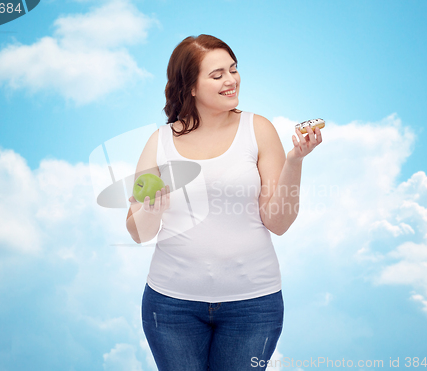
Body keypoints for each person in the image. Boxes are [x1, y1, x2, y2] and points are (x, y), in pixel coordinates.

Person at [126, 34, 322, 371]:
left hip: (253, 306)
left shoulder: (258, 129)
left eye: (233, 70)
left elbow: (278, 222)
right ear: (190, 87)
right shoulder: (159, 142)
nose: (231, 80)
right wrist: (150, 209)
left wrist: (295, 162)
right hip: (171, 306)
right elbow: (139, 232)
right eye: (217, 75)